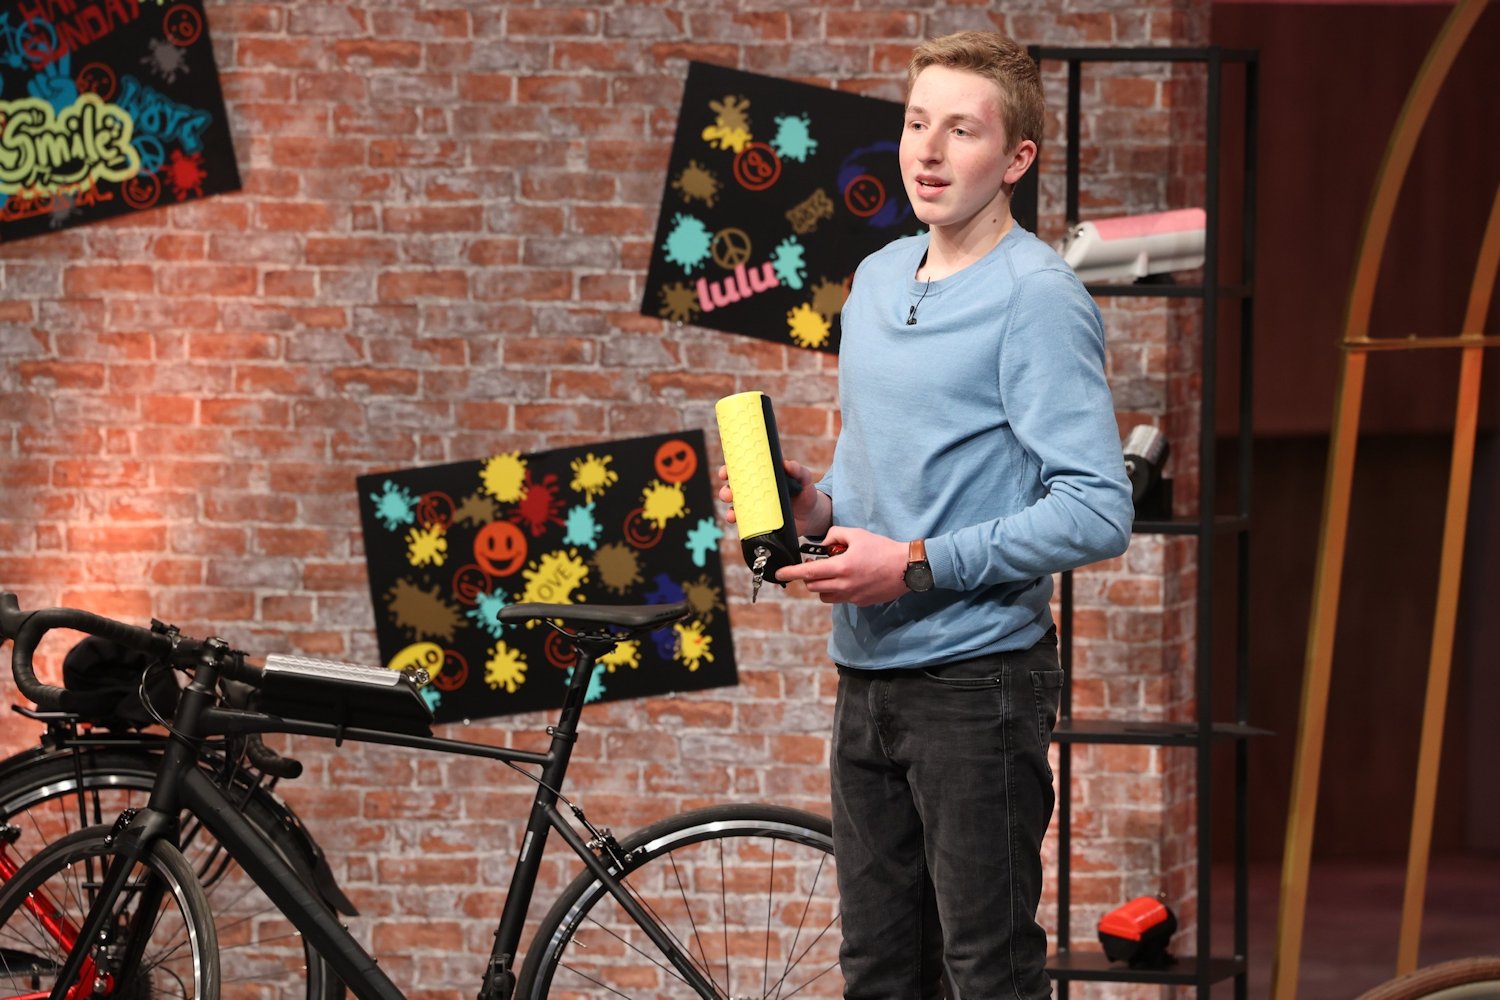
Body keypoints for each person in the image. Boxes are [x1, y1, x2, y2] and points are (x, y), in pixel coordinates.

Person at [719, 30, 1134, 1000]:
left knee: (984, 972)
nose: (930, 152)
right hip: (865, 677)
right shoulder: (873, 282)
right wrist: (812, 503)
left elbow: (1096, 508)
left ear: (1016, 159)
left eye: (962, 130)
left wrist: (911, 563)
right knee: (877, 972)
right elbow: (881, 484)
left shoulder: (1038, 298)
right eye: (916, 124)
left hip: (976, 687)